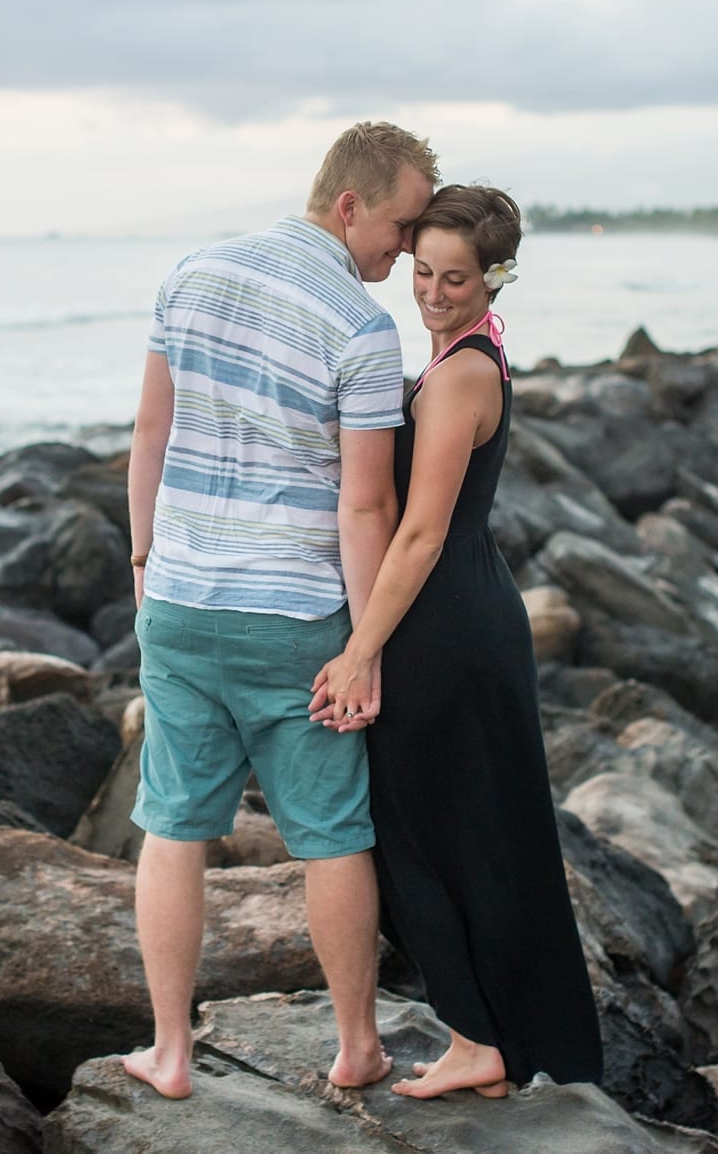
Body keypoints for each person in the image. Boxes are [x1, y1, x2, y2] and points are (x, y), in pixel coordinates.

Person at [121, 121, 440, 1100]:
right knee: (334, 832)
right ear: (348, 205)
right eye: (401, 222)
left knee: (173, 824)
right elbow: (365, 503)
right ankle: (357, 1046)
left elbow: (149, 429)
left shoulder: (192, 275)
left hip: (179, 597)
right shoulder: (360, 328)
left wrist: (143, 565)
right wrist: (368, 642)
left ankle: (169, 1052)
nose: (410, 246)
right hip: (296, 615)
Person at [309, 184, 603, 1099]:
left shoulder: (463, 374)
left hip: (444, 630)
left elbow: (422, 534)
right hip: (467, 618)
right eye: (424, 272)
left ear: (496, 279)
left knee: (419, 834)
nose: (432, 293)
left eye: (457, 279)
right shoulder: (465, 355)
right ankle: (502, 1037)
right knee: (481, 831)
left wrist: (361, 649)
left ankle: (481, 1038)